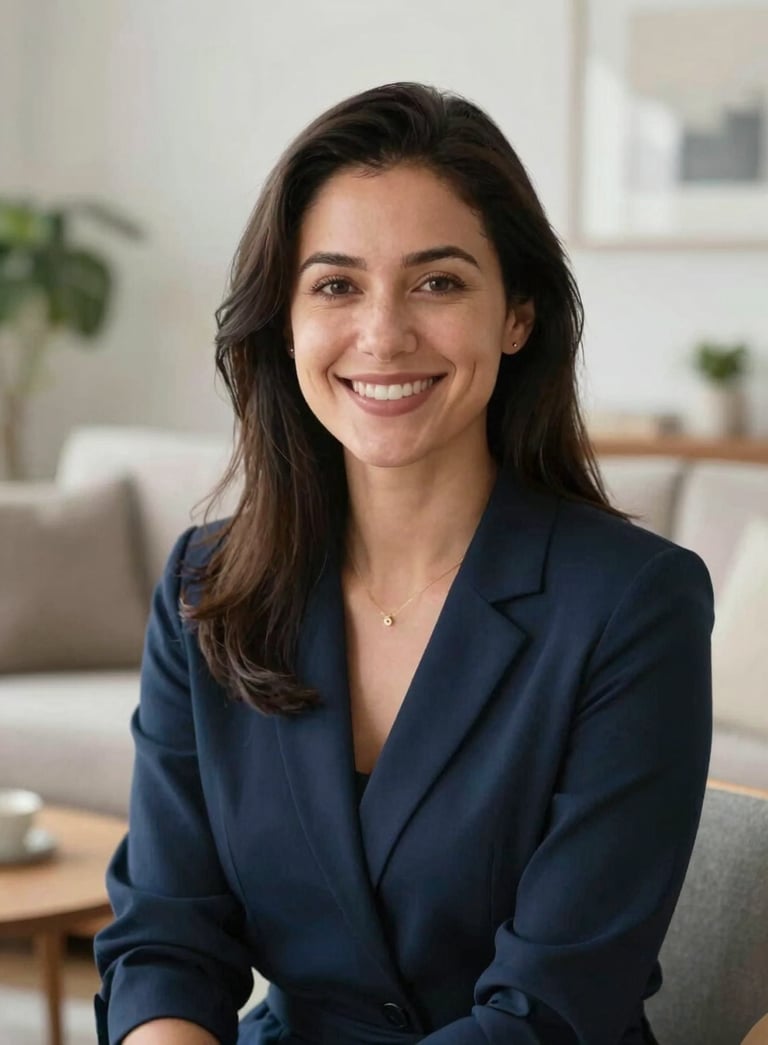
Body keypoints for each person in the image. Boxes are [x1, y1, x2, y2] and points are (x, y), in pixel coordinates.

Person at [94, 82, 713, 1045]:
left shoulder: (635, 604)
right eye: (336, 284)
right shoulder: (206, 588)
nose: (383, 334)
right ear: (285, 323)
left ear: (517, 314)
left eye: (439, 281)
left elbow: (551, 1007)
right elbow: (167, 937)